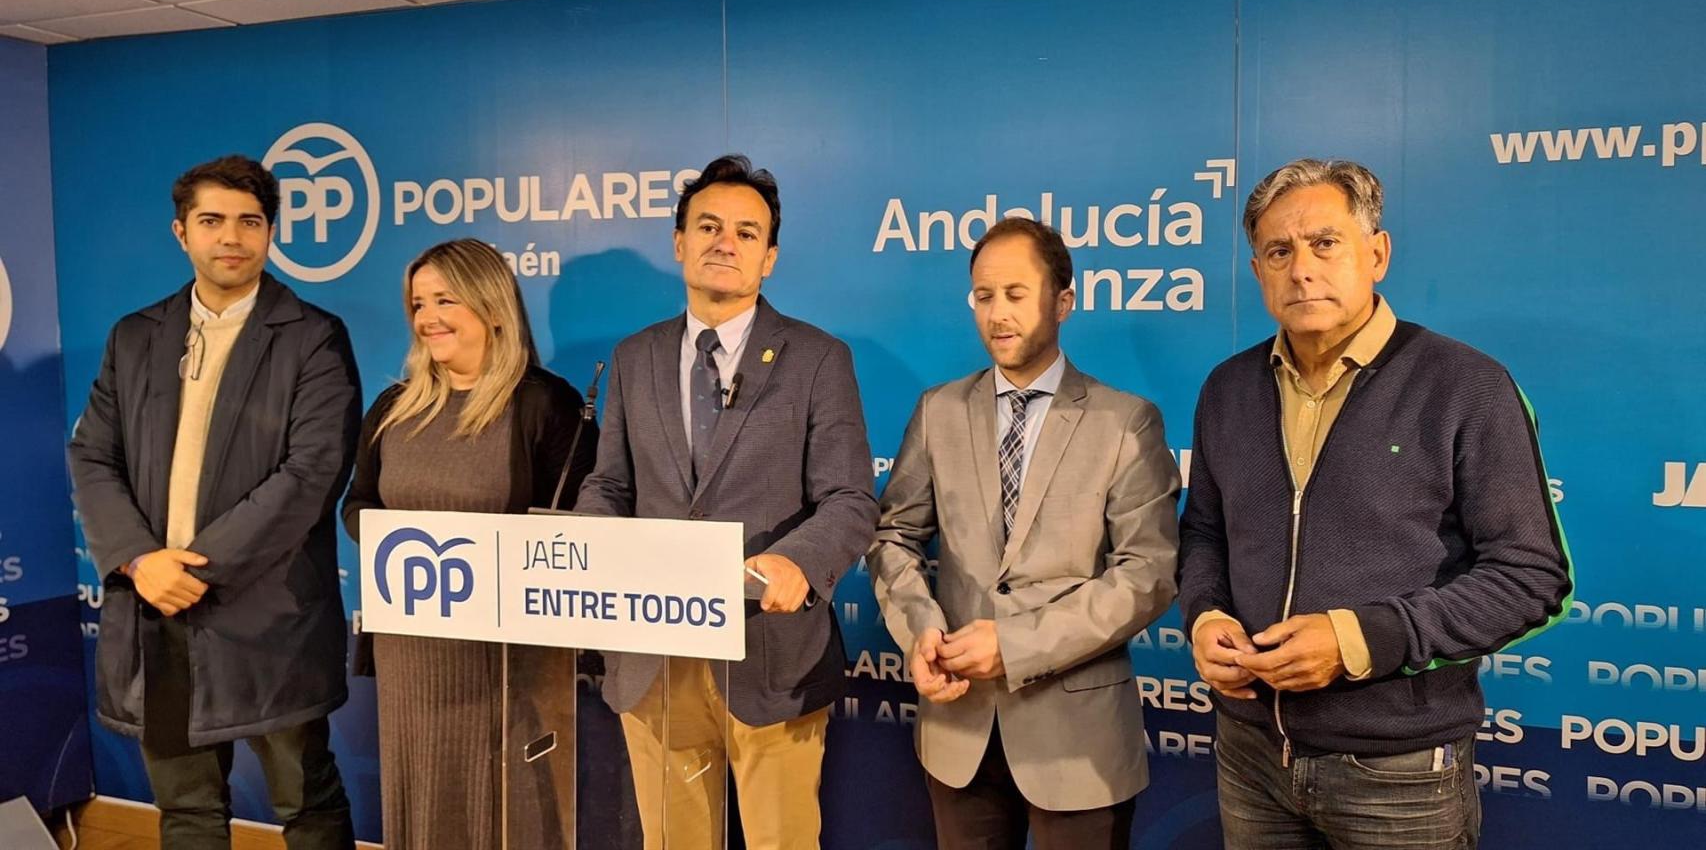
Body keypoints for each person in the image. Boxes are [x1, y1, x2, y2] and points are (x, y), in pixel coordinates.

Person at [1178, 158, 1574, 849]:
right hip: (1249, 757)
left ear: (1377, 253)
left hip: (1399, 774)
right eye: (1280, 250)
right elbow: (1206, 534)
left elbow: (1532, 577)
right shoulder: (1227, 389)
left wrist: (1358, 640)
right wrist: (1205, 614)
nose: (1302, 269)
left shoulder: (1467, 387)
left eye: (1325, 243)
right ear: (1258, 269)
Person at [574, 154, 877, 850]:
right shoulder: (633, 357)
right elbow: (609, 484)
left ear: (768, 258)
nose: (724, 242)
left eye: (746, 232)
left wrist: (799, 563)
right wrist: (592, 547)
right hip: (653, 655)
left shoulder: (817, 358)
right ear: (678, 243)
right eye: (707, 226)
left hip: (771, 657)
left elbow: (849, 499)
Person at [69, 154, 360, 849]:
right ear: (182, 233)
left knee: (306, 802)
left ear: (269, 233)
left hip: (269, 618)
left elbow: (312, 473)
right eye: (212, 221)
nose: (231, 237)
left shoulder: (313, 336)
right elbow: (92, 454)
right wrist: (141, 560)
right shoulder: (135, 336)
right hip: (156, 612)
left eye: (249, 222)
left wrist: (192, 569)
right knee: (189, 812)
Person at [867, 218, 1180, 850]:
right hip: (958, 730)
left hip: (1079, 742)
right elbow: (893, 536)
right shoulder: (938, 410)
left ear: (1063, 301)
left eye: (1016, 293)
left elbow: (1147, 575)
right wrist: (920, 630)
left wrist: (1015, 646)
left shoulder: (1126, 422)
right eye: (984, 296)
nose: (997, 314)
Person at [340, 238, 596, 849]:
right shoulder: (393, 407)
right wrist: (405, 542)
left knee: (507, 812)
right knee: (422, 802)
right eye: (418, 303)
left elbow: (583, 524)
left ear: (492, 307)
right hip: (411, 655)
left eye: (445, 300)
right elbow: (358, 505)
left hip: (506, 660)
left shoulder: (543, 402)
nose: (427, 317)